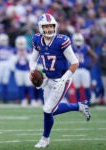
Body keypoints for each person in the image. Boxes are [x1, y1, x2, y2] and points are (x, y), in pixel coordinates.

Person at [29, 13, 91, 148]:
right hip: (47, 79)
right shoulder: (37, 40)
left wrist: (63, 80)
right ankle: (79, 106)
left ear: (55, 26)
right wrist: (32, 71)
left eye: (51, 26)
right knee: (52, 110)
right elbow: (33, 59)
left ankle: (45, 139)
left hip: (61, 79)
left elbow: (75, 63)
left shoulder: (62, 41)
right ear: (40, 28)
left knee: (47, 109)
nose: (49, 29)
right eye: (46, 26)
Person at [72, 32, 97, 104]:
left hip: (84, 69)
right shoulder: (71, 48)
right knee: (77, 87)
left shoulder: (86, 47)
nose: (78, 42)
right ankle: (78, 103)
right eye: (76, 40)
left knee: (86, 86)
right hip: (76, 69)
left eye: (79, 40)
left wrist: (90, 65)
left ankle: (88, 102)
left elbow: (94, 56)